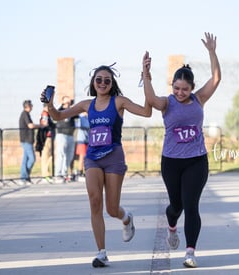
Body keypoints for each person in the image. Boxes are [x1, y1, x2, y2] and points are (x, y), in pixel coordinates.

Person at [41, 63, 152, 268]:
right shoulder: (86, 105)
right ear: (93, 82)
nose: (102, 83)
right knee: (94, 202)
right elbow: (57, 116)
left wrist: (146, 78)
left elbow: (147, 112)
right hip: (93, 157)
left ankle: (126, 218)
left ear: (112, 84)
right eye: (98, 80)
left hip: (113, 157)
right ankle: (101, 252)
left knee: (111, 208)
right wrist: (49, 104)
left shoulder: (119, 101)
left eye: (107, 80)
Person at [142, 32, 221, 268]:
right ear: (173, 86)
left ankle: (190, 252)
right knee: (176, 206)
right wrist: (146, 73)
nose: (180, 92)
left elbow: (216, 78)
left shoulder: (199, 99)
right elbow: (150, 98)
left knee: (191, 204)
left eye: (184, 89)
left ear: (192, 88)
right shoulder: (168, 102)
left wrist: (211, 51)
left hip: (197, 160)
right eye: (177, 88)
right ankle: (171, 225)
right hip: (172, 162)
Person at [19, 100, 43, 184]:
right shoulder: (24, 114)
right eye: (31, 106)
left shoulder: (27, 114)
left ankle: (25, 177)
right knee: (32, 159)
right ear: (27, 106)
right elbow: (30, 125)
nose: (32, 107)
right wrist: (40, 126)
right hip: (26, 140)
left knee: (25, 159)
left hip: (28, 140)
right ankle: (24, 176)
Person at [54, 96, 77, 183]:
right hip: (61, 135)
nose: (68, 104)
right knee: (61, 154)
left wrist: (72, 107)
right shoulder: (59, 110)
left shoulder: (72, 111)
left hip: (70, 135)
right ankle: (58, 174)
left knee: (69, 155)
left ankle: (64, 174)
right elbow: (55, 114)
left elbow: (78, 115)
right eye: (66, 102)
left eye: (69, 102)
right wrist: (62, 105)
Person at [36, 103, 56, 183]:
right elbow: (45, 123)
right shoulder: (45, 114)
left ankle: (48, 174)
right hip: (46, 138)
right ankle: (45, 175)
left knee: (49, 156)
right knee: (45, 157)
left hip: (49, 137)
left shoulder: (48, 114)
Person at [74, 112, 89, 178]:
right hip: (81, 140)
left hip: (88, 140)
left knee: (87, 157)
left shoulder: (88, 118)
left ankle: (86, 171)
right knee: (82, 156)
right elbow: (79, 125)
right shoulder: (80, 117)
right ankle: (80, 171)